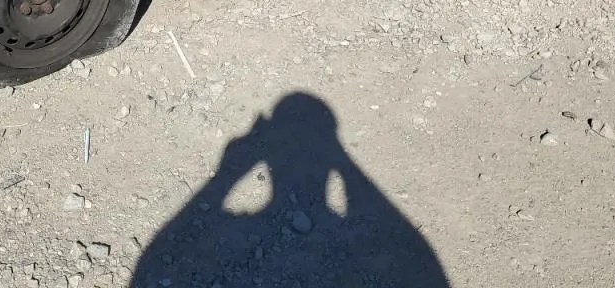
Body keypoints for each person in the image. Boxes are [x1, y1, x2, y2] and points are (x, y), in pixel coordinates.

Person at [129, 92, 450, 288]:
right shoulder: (422, 263)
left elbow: (158, 254)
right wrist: (341, 159)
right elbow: (394, 230)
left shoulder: (151, 267)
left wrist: (226, 176)